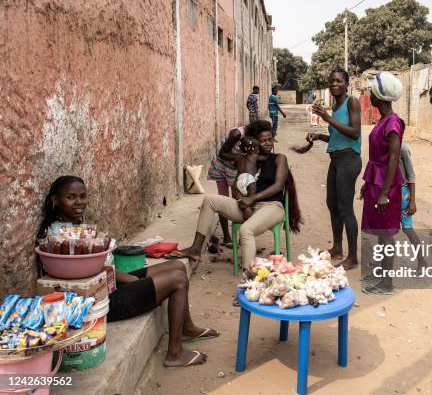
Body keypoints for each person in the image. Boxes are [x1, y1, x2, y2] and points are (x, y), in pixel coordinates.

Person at [37, 176, 217, 369]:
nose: (79, 202)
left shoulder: (75, 228)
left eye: (82, 196)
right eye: (71, 197)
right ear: (56, 200)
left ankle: (187, 329)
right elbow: (93, 272)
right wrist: (132, 279)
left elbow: (101, 270)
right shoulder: (57, 237)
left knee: (177, 267)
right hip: (102, 302)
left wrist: (126, 278)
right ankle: (175, 353)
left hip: (108, 286)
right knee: (178, 279)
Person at [166, 120, 302, 269]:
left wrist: (251, 199)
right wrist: (244, 204)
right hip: (248, 207)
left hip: (271, 207)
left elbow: (278, 186)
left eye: (270, 139)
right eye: (263, 141)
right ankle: (195, 249)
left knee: (246, 230)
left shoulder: (279, 158)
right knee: (210, 200)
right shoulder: (246, 160)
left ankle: (248, 276)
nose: (268, 144)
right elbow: (232, 175)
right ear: (254, 142)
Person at [307, 67, 362, 270]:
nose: (334, 85)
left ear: (347, 83)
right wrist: (320, 136)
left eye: (339, 81)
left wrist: (327, 119)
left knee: (346, 209)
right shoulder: (336, 105)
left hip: (349, 161)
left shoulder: (352, 102)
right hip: (336, 161)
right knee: (332, 204)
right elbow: (339, 136)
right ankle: (337, 248)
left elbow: (354, 133)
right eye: (331, 81)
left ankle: (353, 256)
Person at [360, 71, 404, 295]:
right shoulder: (385, 121)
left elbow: (394, 159)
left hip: (386, 185)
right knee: (380, 232)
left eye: (371, 92)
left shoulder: (393, 123)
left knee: (386, 234)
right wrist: (368, 183)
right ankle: (381, 275)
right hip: (376, 182)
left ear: (379, 96)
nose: (369, 95)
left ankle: (387, 283)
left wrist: (384, 192)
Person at [206, 126, 246, 249]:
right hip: (222, 165)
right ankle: (226, 236)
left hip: (237, 167)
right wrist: (239, 158)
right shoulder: (236, 134)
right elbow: (222, 153)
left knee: (237, 201)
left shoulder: (257, 140)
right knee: (223, 201)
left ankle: (242, 235)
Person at [220, 136, 266, 220]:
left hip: (238, 180)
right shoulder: (255, 156)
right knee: (251, 198)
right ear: (252, 149)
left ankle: (244, 208)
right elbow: (266, 158)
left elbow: (233, 163)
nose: (258, 150)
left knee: (239, 198)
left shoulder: (238, 157)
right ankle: (249, 209)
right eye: (257, 148)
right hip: (249, 179)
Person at [399, 144, 426, 272]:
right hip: (387, 194)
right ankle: (383, 266)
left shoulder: (403, 149)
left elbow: (411, 175)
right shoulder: (381, 146)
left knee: (408, 229)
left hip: (402, 193)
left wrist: (412, 201)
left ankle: (422, 261)